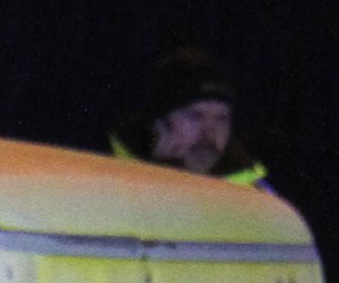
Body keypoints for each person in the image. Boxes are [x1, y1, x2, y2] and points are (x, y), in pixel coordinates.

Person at [108, 48, 267, 185]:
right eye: (195, 116)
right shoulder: (108, 176)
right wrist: (162, 174)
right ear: (159, 123)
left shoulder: (254, 195)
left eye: (221, 119)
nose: (209, 133)